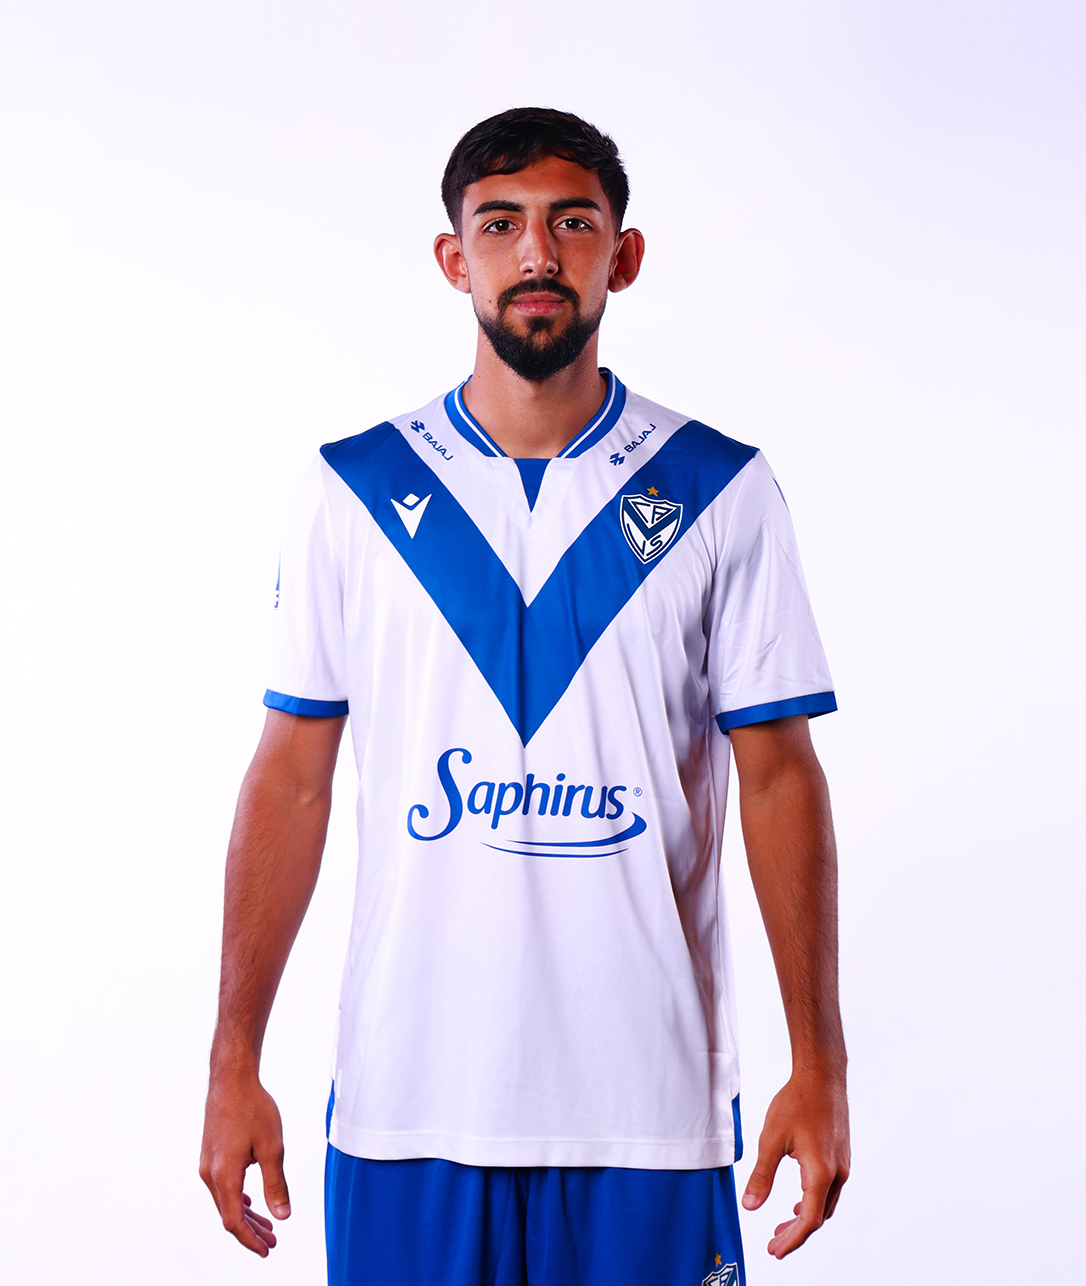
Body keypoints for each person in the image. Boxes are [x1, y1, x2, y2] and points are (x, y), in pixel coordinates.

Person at [199, 107, 850, 1286]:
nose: (537, 253)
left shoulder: (720, 489)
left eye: (572, 223)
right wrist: (231, 1059)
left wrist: (822, 1063)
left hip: (650, 1118)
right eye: (500, 225)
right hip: (409, 1110)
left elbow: (778, 777)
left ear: (623, 255)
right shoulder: (353, 489)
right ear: (455, 259)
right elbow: (290, 778)